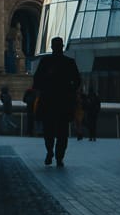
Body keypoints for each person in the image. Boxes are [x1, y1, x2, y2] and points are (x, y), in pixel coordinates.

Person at [32, 37, 82, 167]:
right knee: (62, 133)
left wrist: (43, 88)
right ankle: (59, 157)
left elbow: (37, 80)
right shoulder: (69, 62)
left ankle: (50, 152)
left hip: (49, 101)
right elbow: (77, 81)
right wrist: (70, 90)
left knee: (49, 131)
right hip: (63, 103)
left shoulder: (45, 61)